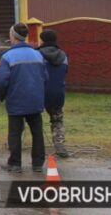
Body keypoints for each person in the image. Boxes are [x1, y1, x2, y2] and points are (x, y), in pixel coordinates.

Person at [0, 23, 48, 173]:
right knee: (37, 132)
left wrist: (1, 96)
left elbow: (1, 81)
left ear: (13, 36)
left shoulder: (8, 56)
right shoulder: (38, 55)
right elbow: (45, 77)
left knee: (15, 133)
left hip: (16, 100)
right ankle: (38, 164)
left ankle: (15, 164)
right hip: (35, 99)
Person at [38, 29, 69, 158]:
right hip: (57, 93)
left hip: (39, 93)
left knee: (32, 119)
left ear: (42, 40)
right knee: (57, 120)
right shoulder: (64, 55)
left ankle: (36, 145)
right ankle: (59, 146)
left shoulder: (37, 55)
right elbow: (65, 72)